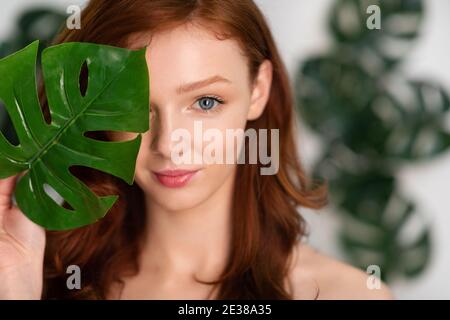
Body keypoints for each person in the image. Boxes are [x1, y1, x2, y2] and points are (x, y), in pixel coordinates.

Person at [0, 0, 393, 300]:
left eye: (205, 102)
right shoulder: (44, 278)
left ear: (258, 90)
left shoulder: (347, 294)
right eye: (131, 108)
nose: (170, 144)